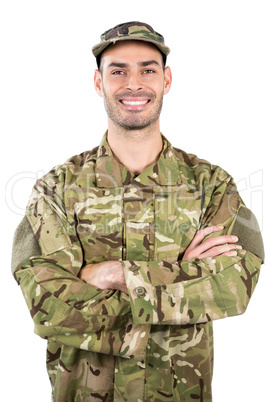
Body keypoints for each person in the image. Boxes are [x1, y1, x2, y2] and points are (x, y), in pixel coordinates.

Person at [12, 21, 264, 402]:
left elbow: (234, 284)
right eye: (118, 71)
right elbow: (47, 304)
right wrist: (182, 280)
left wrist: (112, 274)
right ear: (99, 82)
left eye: (148, 69)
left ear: (166, 80)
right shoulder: (55, 189)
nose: (134, 84)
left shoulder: (211, 184)